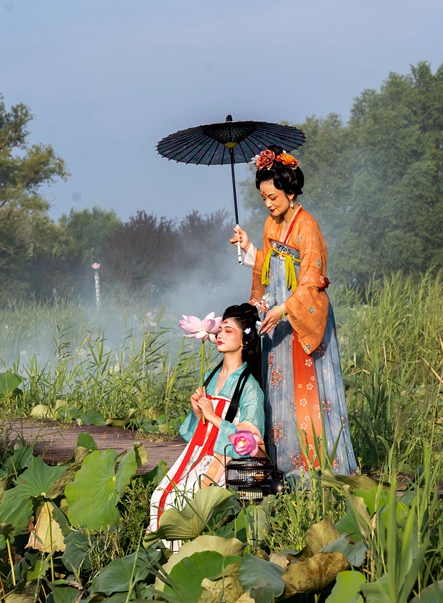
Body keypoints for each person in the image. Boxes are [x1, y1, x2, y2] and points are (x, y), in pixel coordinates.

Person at [229, 146, 358, 480]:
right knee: (279, 391)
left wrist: (285, 308)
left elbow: (312, 280)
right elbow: (269, 270)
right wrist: (249, 248)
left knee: (308, 392)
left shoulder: (308, 227)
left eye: (273, 196)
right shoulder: (271, 226)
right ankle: (284, 464)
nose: (269, 204)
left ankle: (318, 467)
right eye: (263, 199)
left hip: (301, 317)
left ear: (290, 190)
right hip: (277, 317)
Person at [148, 303, 265, 535]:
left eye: (228, 330)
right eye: (220, 329)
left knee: (180, 503)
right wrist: (198, 414)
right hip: (197, 452)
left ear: (245, 341)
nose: (220, 334)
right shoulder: (208, 377)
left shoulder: (250, 388)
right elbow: (195, 433)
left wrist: (213, 417)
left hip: (224, 461)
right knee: (159, 496)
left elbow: (251, 443)